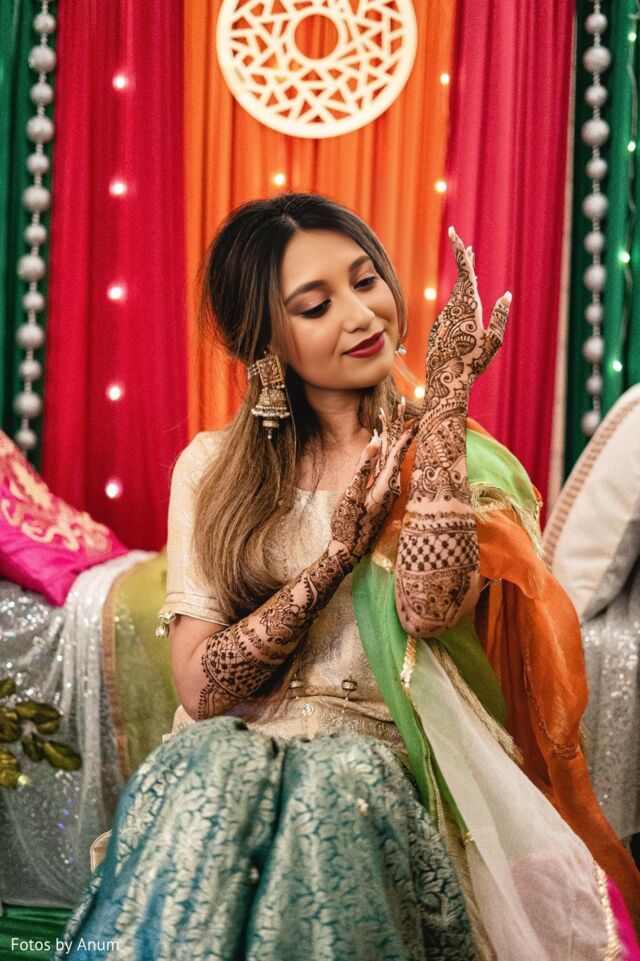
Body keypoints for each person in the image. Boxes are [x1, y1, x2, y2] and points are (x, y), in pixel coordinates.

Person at [54, 193, 640, 961]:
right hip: (232, 762)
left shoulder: (454, 457)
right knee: (213, 766)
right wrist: (334, 558)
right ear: (265, 341)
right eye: (316, 304)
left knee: (336, 784)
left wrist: (443, 410)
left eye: (366, 280)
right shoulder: (211, 468)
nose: (362, 315)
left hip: (382, 770)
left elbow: (429, 610)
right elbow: (201, 689)